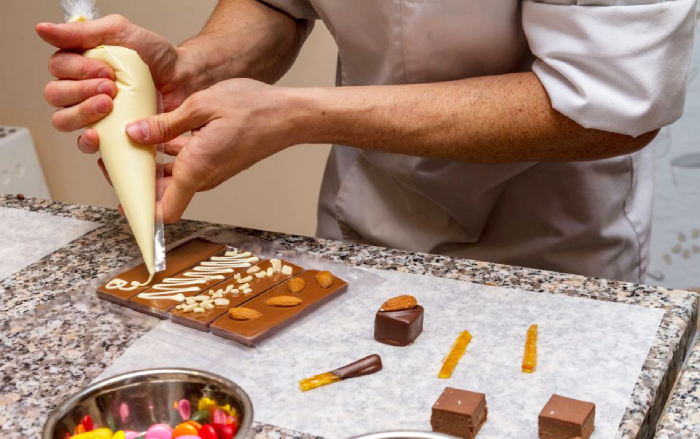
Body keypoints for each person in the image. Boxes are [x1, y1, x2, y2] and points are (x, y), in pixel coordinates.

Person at [37, 0, 697, 282]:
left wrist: (292, 115)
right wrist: (196, 69)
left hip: (554, 247)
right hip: (364, 226)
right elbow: (279, 4)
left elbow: (608, 104)